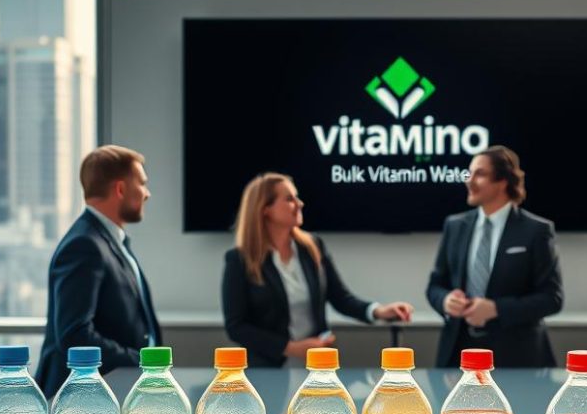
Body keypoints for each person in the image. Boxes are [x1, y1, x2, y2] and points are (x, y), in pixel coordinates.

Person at [221, 172, 414, 368]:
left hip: (317, 366)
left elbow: (340, 298)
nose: (300, 204)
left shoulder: (312, 247)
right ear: (265, 209)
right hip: (268, 369)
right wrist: (290, 348)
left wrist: (379, 311)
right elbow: (236, 326)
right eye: (289, 199)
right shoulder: (239, 260)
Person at [35, 145, 162, 397]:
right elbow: (74, 335)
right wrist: (141, 362)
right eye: (142, 184)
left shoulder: (109, 240)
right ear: (121, 189)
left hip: (112, 389)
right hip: (84, 400)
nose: (147, 193)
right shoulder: (84, 245)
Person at [425, 145, 563, 369]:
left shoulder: (536, 231)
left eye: (479, 174)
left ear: (503, 181)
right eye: (469, 173)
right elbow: (435, 285)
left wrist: (496, 308)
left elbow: (552, 298)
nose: (469, 181)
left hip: (518, 359)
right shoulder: (455, 225)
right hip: (458, 356)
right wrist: (445, 300)